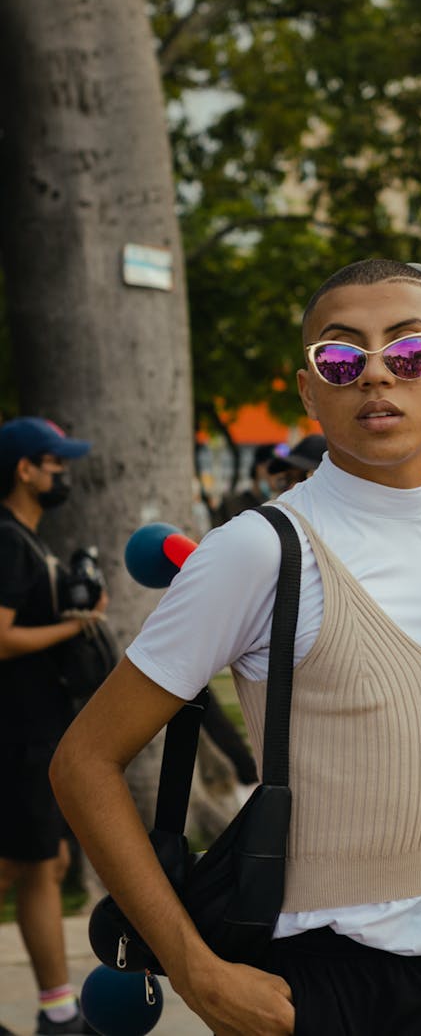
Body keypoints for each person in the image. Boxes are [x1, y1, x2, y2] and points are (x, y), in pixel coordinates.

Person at [51, 260, 421, 1035]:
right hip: (316, 989)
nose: (377, 376)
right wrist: (198, 974)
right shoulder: (260, 552)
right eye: (342, 358)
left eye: (409, 354)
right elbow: (82, 762)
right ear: (310, 391)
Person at [0, 416, 105, 1036]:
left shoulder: (28, 539)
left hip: (35, 729)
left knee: (46, 862)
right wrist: (76, 625)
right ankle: (59, 1013)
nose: (63, 472)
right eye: (55, 462)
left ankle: (57, 1009)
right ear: (25, 469)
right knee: (37, 865)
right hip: (18, 733)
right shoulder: (10, 540)